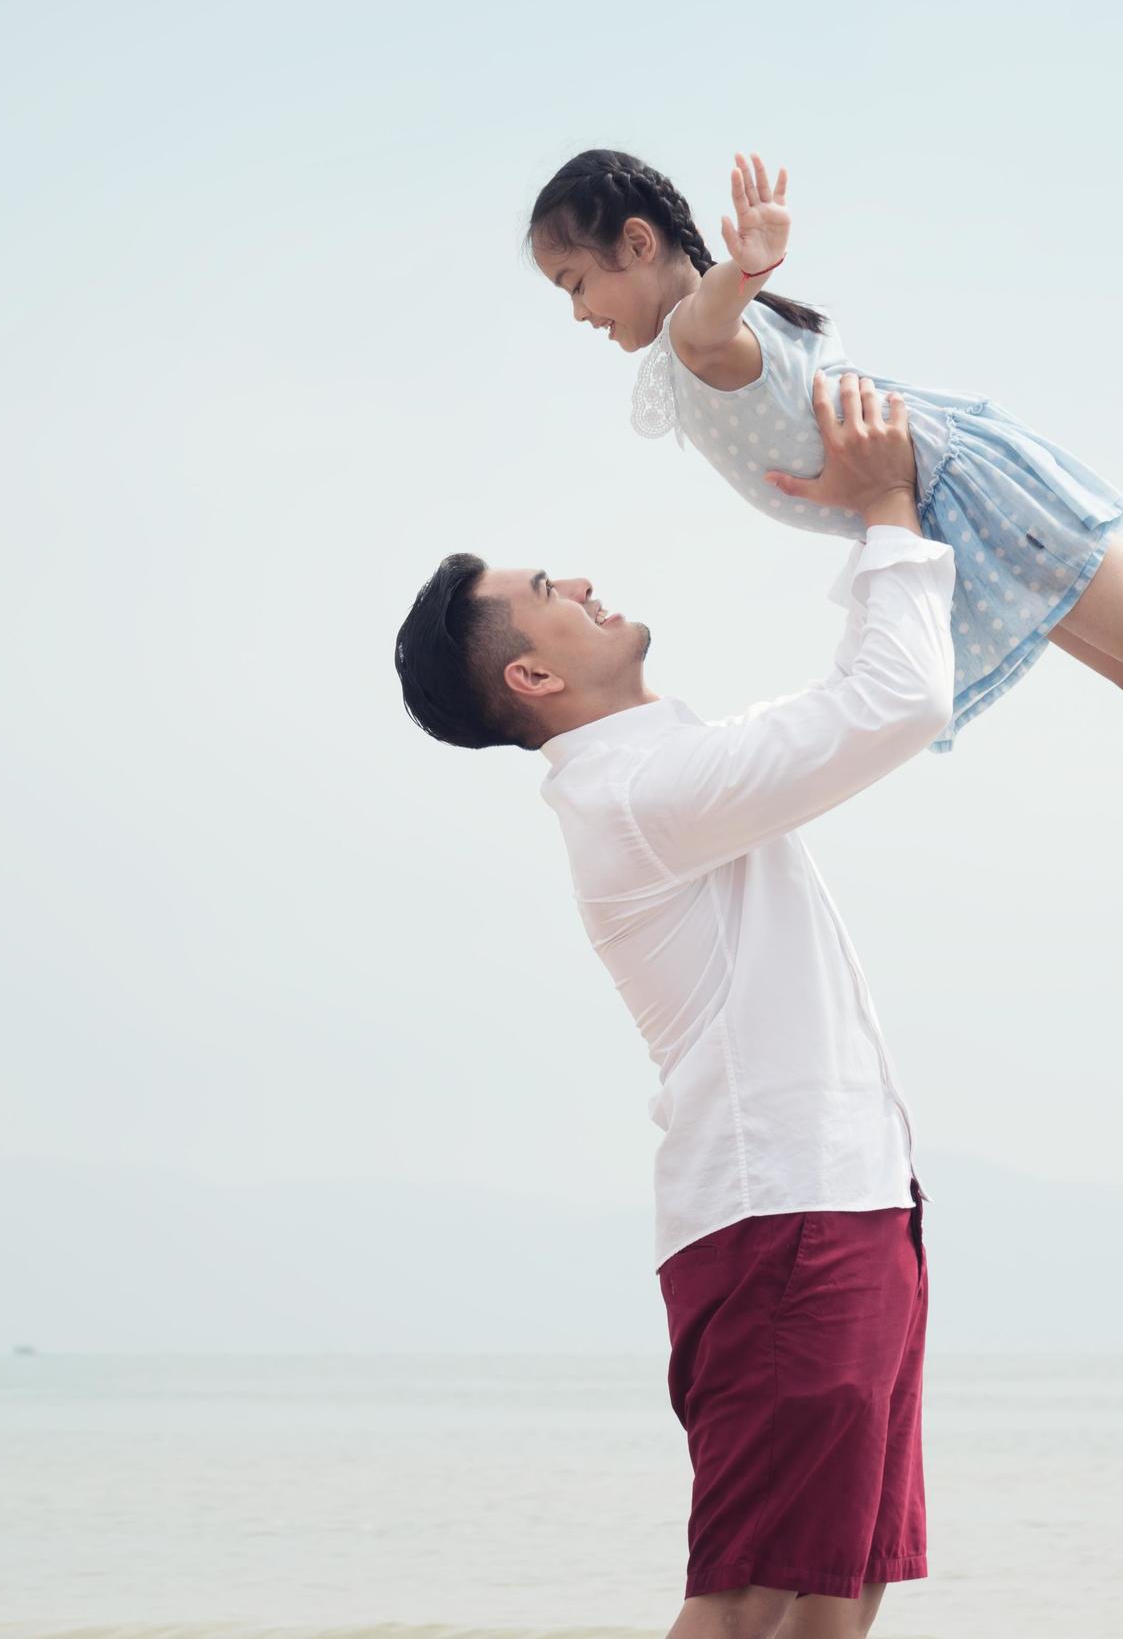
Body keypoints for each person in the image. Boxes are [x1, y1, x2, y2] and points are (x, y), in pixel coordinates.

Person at [527, 146, 1123, 946]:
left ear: (638, 245)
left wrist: (748, 267)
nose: (577, 311)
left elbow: (706, 318)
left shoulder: (701, 339)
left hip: (955, 489)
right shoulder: (701, 347)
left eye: (577, 283)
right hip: (942, 503)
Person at [395, 373, 941, 1638]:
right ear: (530, 671)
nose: (577, 581)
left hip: (838, 1205)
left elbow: (851, 699)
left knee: (833, 1594)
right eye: (545, 593)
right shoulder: (639, 793)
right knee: (749, 1600)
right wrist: (884, 515)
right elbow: (893, 701)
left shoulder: (658, 772)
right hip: (783, 1221)